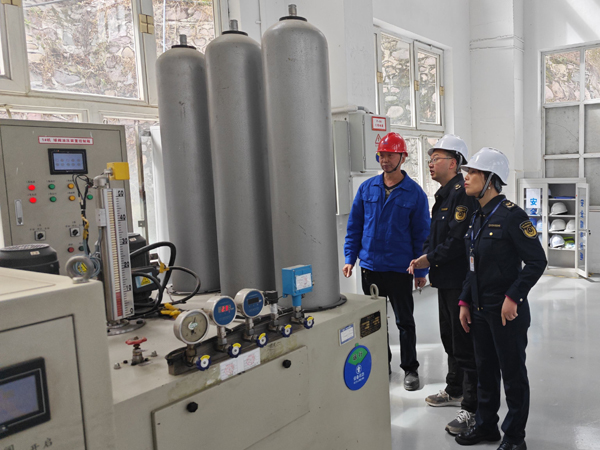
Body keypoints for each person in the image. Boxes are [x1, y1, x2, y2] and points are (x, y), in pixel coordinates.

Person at [454, 147, 547, 450]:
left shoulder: (512, 216)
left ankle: (515, 437)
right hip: (480, 308)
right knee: (485, 371)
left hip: (507, 312)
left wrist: (513, 297)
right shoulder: (477, 217)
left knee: (513, 374)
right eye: (467, 172)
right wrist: (465, 301)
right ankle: (486, 426)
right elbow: (473, 265)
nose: (466, 177)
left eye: (474, 173)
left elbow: (537, 261)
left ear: (491, 180)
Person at [343, 132, 430, 391]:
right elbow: (355, 226)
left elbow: (421, 235)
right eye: (382, 155)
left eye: (391, 155)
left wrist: (420, 271)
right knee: (374, 321)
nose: (385, 160)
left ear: (402, 157)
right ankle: (381, 363)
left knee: (404, 321)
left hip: (400, 269)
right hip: (370, 268)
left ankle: (410, 368)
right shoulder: (367, 188)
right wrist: (350, 258)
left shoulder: (415, 193)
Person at [408, 135, 479, 435]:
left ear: (454, 163)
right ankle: (455, 389)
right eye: (430, 159)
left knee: (464, 344)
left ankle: (472, 405)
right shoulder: (443, 195)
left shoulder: (463, 194)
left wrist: (429, 258)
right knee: (449, 338)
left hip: (459, 281)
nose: (430, 163)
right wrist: (424, 258)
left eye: (436, 158)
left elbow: (456, 240)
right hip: (444, 279)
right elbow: (433, 235)